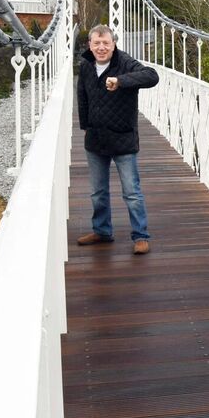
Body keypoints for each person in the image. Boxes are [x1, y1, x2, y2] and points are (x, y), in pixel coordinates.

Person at [76, 24, 159, 254]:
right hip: (96, 137)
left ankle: (140, 236)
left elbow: (152, 76)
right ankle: (102, 231)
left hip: (123, 137)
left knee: (131, 192)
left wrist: (120, 81)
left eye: (106, 43)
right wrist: (85, 126)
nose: (101, 47)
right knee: (98, 192)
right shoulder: (86, 65)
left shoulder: (124, 62)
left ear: (113, 44)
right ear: (90, 45)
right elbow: (82, 97)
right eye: (97, 43)